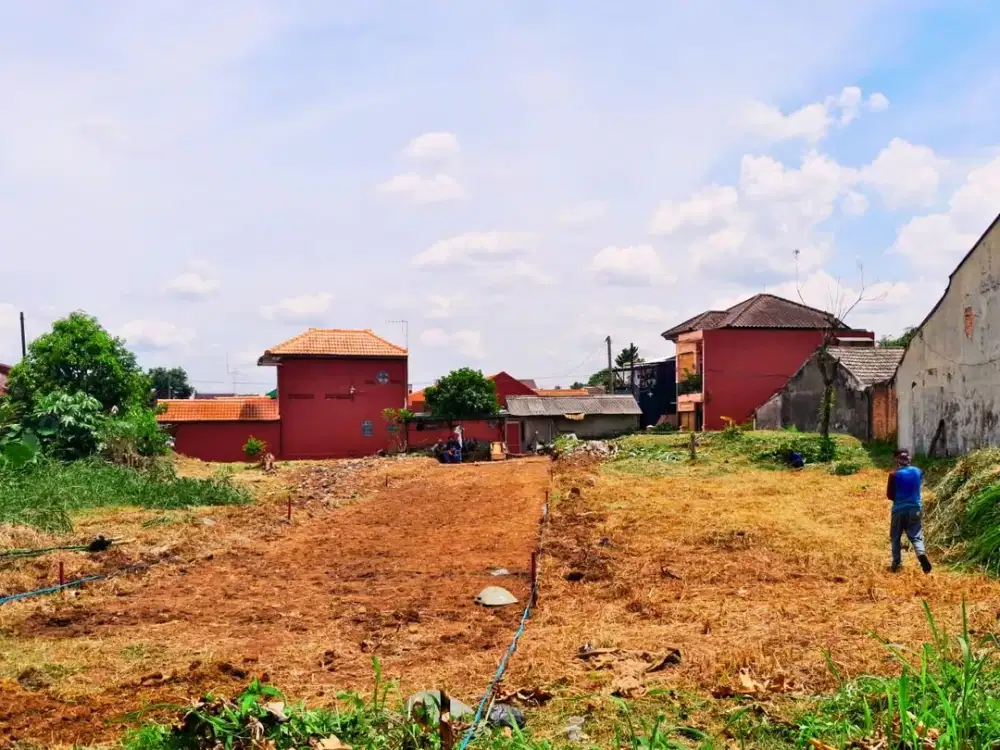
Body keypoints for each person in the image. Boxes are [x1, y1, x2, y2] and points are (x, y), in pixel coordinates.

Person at [886, 450, 932, 574]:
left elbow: (889, 495)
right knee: (916, 536)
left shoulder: (894, 474)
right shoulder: (918, 471)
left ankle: (896, 563)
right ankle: (921, 555)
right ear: (909, 460)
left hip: (899, 509)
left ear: (897, 460)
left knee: (895, 537)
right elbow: (920, 475)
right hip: (915, 508)